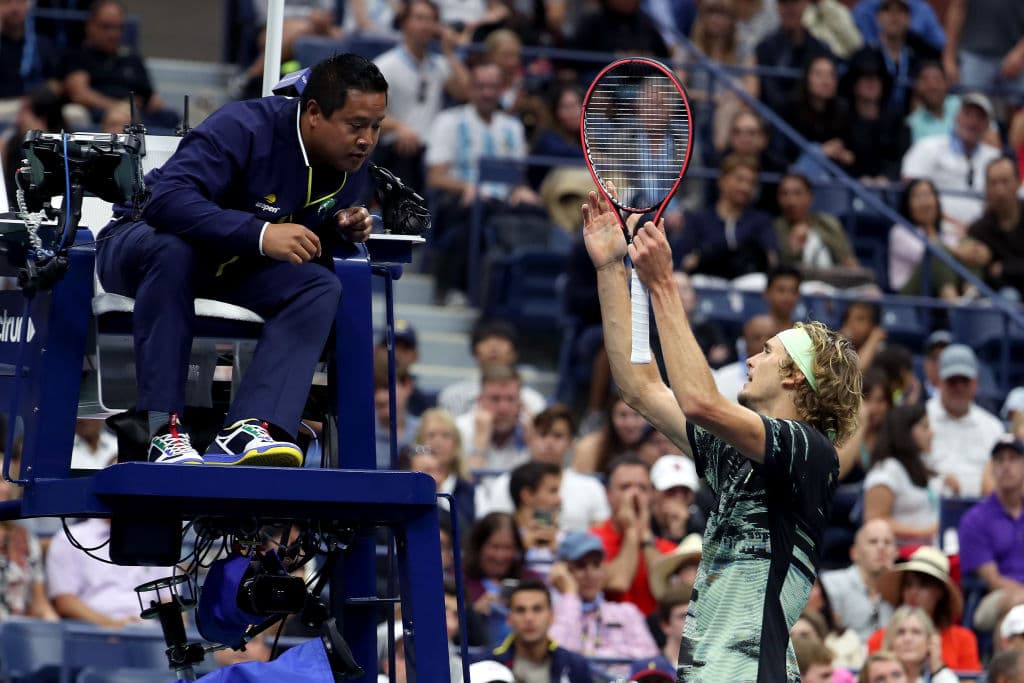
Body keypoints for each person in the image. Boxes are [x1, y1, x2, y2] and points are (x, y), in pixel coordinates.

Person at [582, 189, 862, 680]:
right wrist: (610, 268)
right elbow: (641, 388)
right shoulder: (738, 455)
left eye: (768, 353)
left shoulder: (808, 450)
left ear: (797, 375)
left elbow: (700, 402)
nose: (751, 360)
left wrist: (663, 283)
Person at [95, 53, 382, 466]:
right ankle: (163, 430)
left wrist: (338, 225)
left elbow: (296, 215)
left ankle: (251, 426)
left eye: (376, 126)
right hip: (140, 248)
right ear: (315, 113)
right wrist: (263, 235)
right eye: (356, 125)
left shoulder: (348, 160)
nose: (367, 140)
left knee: (318, 287)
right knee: (174, 250)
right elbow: (165, 201)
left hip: (228, 264)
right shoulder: (243, 127)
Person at [372, 0, 469, 194]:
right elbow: (369, 113)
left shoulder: (439, 65)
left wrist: (450, 53)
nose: (426, 25)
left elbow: (466, 93)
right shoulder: (385, 65)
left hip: (433, 150)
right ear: (405, 23)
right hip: (398, 149)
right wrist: (399, 126)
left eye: (432, 20)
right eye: (420, 18)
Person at [475, 405, 610, 533]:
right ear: (529, 439)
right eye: (543, 434)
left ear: (570, 443)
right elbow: (494, 533)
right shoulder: (504, 484)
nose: (549, 443)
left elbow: (601, 539)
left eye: (557, 436)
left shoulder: (591, 487)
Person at [61, 0, 177, 129]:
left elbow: (150, 97)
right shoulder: (78, 55)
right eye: (106, 27)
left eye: (118, 28)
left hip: (138, 115)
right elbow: (80, 94)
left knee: (172, 117)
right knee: (118, 119)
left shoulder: (132, 58)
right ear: (90, 26)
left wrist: (145, 103)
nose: (114, 34)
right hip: (99, 115)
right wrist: (119, 107)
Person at [548, 532, 659, 665]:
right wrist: (570, 595)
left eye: (596, 565)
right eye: (581, 566)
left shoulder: (626, 612)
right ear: (563, 572)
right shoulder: (550, 614)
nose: (590, 575)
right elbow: (554, 658)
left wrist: (595, 654)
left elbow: (650, 660)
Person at [869, 546, 982, 670]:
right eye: (908, 585)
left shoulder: (963, 640)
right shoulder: (879, 639)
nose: (913, 592)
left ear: (939, 592)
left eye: (923, 586)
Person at [589, 455, 675, 616]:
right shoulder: (592, 541)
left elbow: (667, 592)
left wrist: (644, 534)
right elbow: (618, 582)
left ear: (651, 494)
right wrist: (631, 531)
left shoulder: (666, 548)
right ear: (608, 494)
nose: (634, 495)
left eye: (642, 488)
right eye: (625, 487)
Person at [671, 154, 778, 280]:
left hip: (749, 285)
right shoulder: (699, 219)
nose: (745, 187)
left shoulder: (761, 221)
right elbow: (685, 262)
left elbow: (772, 260)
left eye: (751, 182)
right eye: (740, 180)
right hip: (707, 286)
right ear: (722, 180)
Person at [901, 93, 1001, 227]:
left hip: (985, 232)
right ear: (956, 117)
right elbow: (910, 189)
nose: (973, 122)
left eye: (980, 117)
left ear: (988, 125)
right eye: (968, 114)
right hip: (935, 228)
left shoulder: (995, 158)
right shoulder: (928, 147)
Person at [46, 518, 166, 627]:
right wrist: (112, 625)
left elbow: (170, 601)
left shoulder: (159, 538)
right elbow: (65, 602)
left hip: (149, 635)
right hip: (92, 634)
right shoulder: (69, 538)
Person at [958, 434, 1024, 632]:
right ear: (992, 469)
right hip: (995, 598)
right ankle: (1008, 663)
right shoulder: (975, 519)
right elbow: (993, 581)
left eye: (1013, 459)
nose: (1006, 465)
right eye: (1000, 459)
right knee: (1016, 605)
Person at [925, 344, 1003, 497]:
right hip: (930, 509)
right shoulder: (921, 420)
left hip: (980, 509)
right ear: (939, 381)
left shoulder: (993, 427)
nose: (959, 387)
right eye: (953, 380)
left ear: (976, 382)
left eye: (965, 380)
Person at [862, 404, 940, 549]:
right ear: (905, 431)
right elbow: (874, 520)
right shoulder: (886, 470)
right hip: (900, 558)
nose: (931, 433)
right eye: (925, 427)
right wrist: (925, 532)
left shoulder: (919, 463)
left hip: (928, 552)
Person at [486, 580, 591, 683]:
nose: (529, 618)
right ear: (509, 618)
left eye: (537, 609)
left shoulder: (575, 666)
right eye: (520, 610)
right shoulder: (487, 664)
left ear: (551, 616)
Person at [438, 319, 546, 419]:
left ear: (514, 353)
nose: (493, 346)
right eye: (485, 340)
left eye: (501, 340)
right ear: (475, 352)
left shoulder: (533, 401)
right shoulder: (453, 396)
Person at [958, 157, 1024, 300]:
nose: (999, 190)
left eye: (1005, 182)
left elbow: (998, 270)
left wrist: (1005, 269)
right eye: (993, 183)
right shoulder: (979, 229)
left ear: (1018, 183)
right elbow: (985, 276)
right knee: (1009, 296)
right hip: (1003, 299)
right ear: (986, 188)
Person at [821, 518, 898, 640]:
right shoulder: (830, 584)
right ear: (854, 553)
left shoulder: (902, 591)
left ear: (896, 553)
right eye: (873, 542)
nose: (881, 547)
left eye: (887, 542)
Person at [888, 178, 963, 299]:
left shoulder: (946, 232)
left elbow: (958, 252)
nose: (925, 203)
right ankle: (956, 310)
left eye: (928, 195)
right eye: (917, 197)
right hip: (908, 295)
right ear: (908, 204)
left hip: (938, 290)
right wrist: (959, 251)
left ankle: (972, 296)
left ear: (936, 201)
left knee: (971, 246)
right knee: (937, 252)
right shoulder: (900, 231)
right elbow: (925, 254)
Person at [756, 0, 834, 115]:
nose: (789, 9)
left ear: (805, 4)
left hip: (816, 118)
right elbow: (772, 96)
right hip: (780, 120)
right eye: (784, 3)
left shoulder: (820, 48)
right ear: (777, 7)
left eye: (795, 2)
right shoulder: (765, 48)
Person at [455, 363, 532, 472]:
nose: (503, 408)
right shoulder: (459, 430)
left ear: (521, 403)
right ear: (479, 401)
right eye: (495, 399)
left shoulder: (528, 430)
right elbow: (462, 486)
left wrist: (533, 441)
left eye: (511, 399)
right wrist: (480, 443)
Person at [774, 174, 858, 270]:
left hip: (833, 279)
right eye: (785, 194)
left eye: (797, 193)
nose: (791, 201)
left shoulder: (828, 223)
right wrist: (795, 249)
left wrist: (814, 234)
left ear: (810, 197)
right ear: (778, 198)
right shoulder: (773, 228)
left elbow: (849, 261)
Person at [413, 408, 475, 531]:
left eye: (445, 436)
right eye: (431, 435)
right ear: (419, 442)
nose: (438, 442)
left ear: (456, 444)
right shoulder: (408, 484)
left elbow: (466, 530)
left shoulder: (466, 487)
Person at [941, 0, 1024, 92]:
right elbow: (958, 8)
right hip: (973, 57)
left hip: (1017, 60)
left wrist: (1021, 53)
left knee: (1017, 104)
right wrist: (949, 58)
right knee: (970, 101)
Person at [508, 461, 563, 578]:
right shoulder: (503, 536)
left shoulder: (563, 539)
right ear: (527, 495)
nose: (559, 500)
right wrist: (522, 548)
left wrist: (559, 551)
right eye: (553, 491)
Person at [878, 606, 960, 682]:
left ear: (930, 642)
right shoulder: (875, 675)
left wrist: (936, 665)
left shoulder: (942, 677)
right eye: (901, 632)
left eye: (916, 632)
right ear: (890, 641)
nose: (908, 639)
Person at [571, 395, 649, 475]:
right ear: (611, 418)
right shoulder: (590, 447)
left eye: (637, 415)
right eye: (623, 415)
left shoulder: (656, 446)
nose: (630, 424)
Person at [712, 314, 777, 403]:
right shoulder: (723, 378)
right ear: (745, 343)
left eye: (771, 337)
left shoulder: (791, 380)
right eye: (757, 338)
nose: (765, 343)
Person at [649, 455, 704, 543]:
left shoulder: (700, 525)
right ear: (652, 491)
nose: (679, 497)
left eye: (685, 491)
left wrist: (678, 534)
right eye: (671, 490)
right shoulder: (642, 524)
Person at [763, 265, 802, 333]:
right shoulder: (756, 332)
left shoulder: (803, 335)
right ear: (767, 293)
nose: (788, 297)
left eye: (794, 291)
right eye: (781, 290)